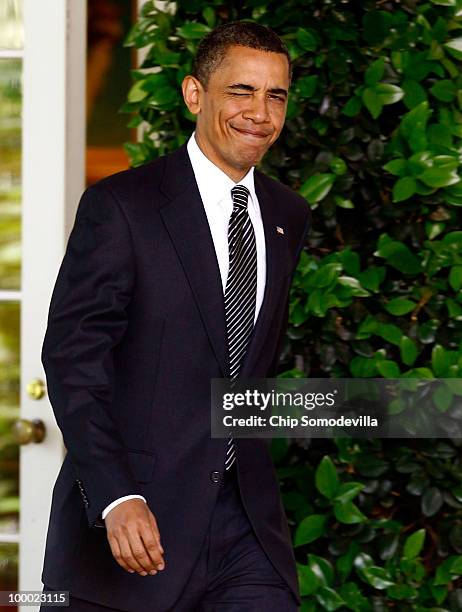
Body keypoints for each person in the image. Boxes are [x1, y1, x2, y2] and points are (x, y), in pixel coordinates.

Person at [39, 20, 311, 612]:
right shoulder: (122, 207)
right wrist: (115, 498)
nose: (260, 114)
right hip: (136, 529)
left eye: (276, 95)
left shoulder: (289, 214)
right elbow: (73, 359)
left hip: (247, 531)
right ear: (195, 94)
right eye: (241, 91)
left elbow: (246, 370)